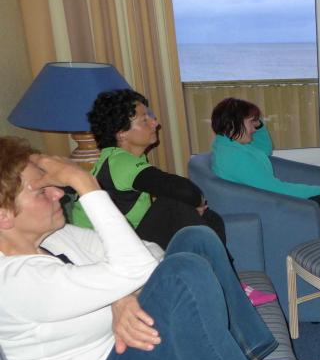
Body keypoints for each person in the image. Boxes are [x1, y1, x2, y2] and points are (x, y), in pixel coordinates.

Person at [0, 136, 313, 360]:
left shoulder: (57, 238)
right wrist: (84, 182)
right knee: (182, 272)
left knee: (196, 238)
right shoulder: (16, 282)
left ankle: (247, 356)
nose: (59, 193)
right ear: (3, 216)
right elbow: (140, 268)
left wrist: (120, 296)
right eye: (42, 190)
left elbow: (149, 253)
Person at [71, 89, 273, 305]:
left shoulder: (115, 159)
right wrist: (194, 203)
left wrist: (192, 205)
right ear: (121, 133)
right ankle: (230, 287)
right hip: (108, 256)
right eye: (144, 119)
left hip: (124, 244)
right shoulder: (120, 163)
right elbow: (186, 191)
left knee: (210, 218)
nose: (155, 123)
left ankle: (220, 282)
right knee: (174, 204)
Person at [210, 97, 320, 227]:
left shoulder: (229, 146)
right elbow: (275, 189)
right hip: (289, 213)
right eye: (250, 122)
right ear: (233, 124)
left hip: (282, 204)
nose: (253, 128)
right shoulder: (234, 157)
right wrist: (317, 190)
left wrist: (258, 124)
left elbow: (264, 149)